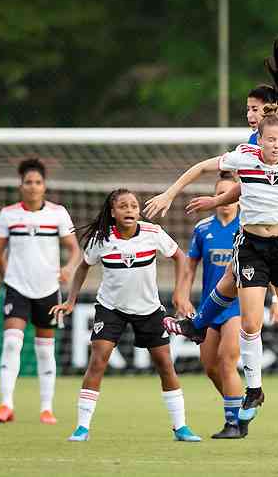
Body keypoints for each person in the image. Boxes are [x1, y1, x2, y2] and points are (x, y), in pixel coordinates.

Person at [144, 104, 278, 422]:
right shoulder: (244, 156)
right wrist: (170, 193)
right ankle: (253, 391)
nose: (276, 144)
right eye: (270, 139)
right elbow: (201, 167)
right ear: (260, 139)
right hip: (252, 246)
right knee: (251, 322)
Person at [180, 29, 278, 395]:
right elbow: (250, 183)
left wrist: (214, 200)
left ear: (270, 113)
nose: (248, 115)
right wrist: (218, 201)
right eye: (248, 110)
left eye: (253, 110)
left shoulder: (276, 141)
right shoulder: (267, 141)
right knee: (244, 281)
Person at [49, 189, 200, 442]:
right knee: (98, 360)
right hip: (111, 309)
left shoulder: (153, 233)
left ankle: (181, 427)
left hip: (149, 309)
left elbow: (181, 259)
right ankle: (82, 428)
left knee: (165, 364)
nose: (129, 210)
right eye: (123, 206)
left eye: (133, 206)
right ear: (113, 213)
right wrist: (71, 300)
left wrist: (180, 294)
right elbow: (83, 267)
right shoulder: (102, 239)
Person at [0, 158, 81, 425]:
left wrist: (68, 268)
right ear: (20, 186)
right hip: (17, 287)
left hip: (48, 290)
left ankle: (46, 408)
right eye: (28, 182)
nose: (33, 187)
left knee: (44, 350)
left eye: (37, 182)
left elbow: (75, 249)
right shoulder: (8, 214)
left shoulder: (57, 213)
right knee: (12, 342)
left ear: (44, 186)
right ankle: (6, 404)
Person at [180, 172, 247, 439]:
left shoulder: (249, 226)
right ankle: (239, 406)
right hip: (210, 306)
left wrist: (276, 299)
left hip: (238, 306)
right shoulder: (203, 228)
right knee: (210, 366)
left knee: (227, 359)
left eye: (232, 194)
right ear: (215, 197)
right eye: (221, 194)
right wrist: (182, 295)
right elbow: (189, 267)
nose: (227, 200)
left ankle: (233, 423)